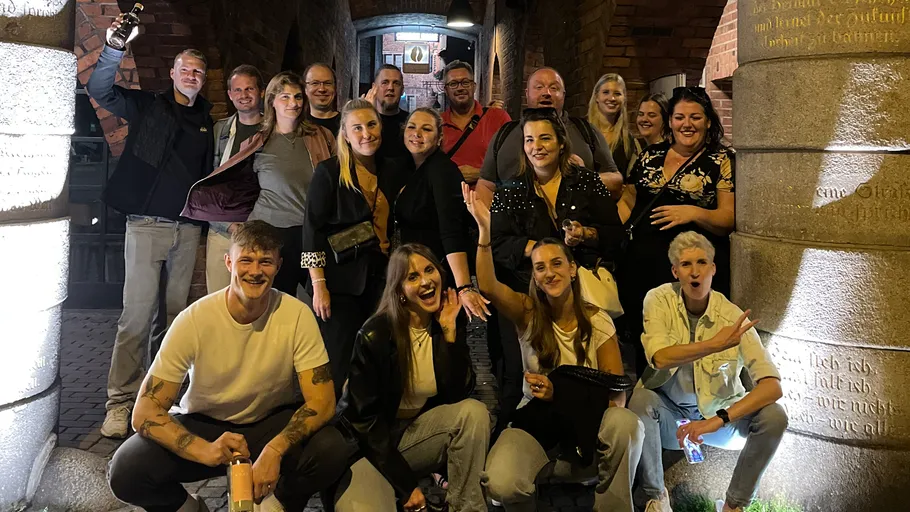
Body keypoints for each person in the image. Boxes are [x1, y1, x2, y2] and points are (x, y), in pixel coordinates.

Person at [107, 221, 349, 512]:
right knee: (126, 470)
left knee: (331, 447)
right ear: (228, 261)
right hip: (205, 422)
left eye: (266, 262)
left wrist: (274, 451)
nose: (255, 271)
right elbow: (144, 412)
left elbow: (323, 402)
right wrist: (204, 450)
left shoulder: (296, 314)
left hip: (269, 423)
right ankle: (190, 509)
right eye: (246, 260)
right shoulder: (194, 319)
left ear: (279, 266)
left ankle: (277, 502)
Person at [462, 184, 643, 511]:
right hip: (538, 424)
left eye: (557, 263)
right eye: (540, 267)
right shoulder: (528, 312)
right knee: (501, 483)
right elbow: (487, 285)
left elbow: (616, 391)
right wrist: (484, 233)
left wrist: (563, 393)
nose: (549, 273)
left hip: (586, 426)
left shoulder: (598, 320)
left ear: (573, 269)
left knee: (627, 423)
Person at [88, 19, 212, 439]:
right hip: (145, 226)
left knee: (175, 319)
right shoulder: (148, 106)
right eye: (185, 69)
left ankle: (160, 397)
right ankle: (120, 402)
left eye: (198, 71)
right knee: (136, 317)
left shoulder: (208, 122)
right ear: (173, 74)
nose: (191, 76)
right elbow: (100, 91)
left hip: (187, 230)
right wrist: (112, 50)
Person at [628, 232, 787, 512]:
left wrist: (718, 420)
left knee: (774, 415)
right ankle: (656, 498)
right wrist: (715, 344)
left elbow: (772, 386)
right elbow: (661, 357)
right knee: (641, 401)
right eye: (686, 264)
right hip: (671, 418)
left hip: (717, 420)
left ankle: (734, 506)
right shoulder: (659, 300)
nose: (694, 272)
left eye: (702, 262)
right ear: (675, 271)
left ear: (713, 269)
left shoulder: (730, 316)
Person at [488, 107, 623, 436]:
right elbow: (498, 245)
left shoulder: (587, 182)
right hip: (527, 296)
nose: (537, 146)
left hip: (579, 295)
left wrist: (585, 234)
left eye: (545, 138)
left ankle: (588, 436)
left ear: (562, 143)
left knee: (581, 367)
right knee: (517, 372)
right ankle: (514, 435)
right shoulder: (511, 190)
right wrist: (539, 249)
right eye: (530, 139)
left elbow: (616, 236)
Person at [333, 244, 490, 512]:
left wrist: (450, 336)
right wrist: (407, 486)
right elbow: (364, 423)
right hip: (367, 449)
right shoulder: (375, 335)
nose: (426, 281)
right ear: (399, 291)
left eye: (429, 270)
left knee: (473, 413)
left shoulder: (445, 321)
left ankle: (467, 508)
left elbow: (456, 396)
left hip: (412, 436)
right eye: (412, 277)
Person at [617, 87, 735, 378]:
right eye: (680, 117)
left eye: (695, 117)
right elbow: (628, 201)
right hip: (641, 266)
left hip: (692, 271)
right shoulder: (650, 156)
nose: (687, 124)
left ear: (708, 121)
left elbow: (727, 217)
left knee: (690, 336)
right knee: (647, 332)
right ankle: (650, 395)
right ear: (669, 122)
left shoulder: (720, 160)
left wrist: (693, 213)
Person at [302, 98, 406, 398]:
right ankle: (332, 428)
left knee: (376, 358)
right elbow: (313, 230)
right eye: (357, 128)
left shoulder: (392, 169)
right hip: (340, 283)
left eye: (371, 124)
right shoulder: (329, 171)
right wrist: (318, 284)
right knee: (339, 360)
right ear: (345, 134)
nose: (366, 133)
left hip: (382, 280)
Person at [246, 71, 335, 295]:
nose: (293, 103)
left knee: (321, 302)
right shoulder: (256, 143)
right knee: (273, 301)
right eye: (285, 97)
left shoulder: (321, 136)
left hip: (311, 232)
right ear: (272, 101)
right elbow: (241, 190)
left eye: (297, 97)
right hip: (270, 233)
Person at [476, 67, 620, 205]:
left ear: (563, 94)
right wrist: (491, 224)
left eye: (554, 88)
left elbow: (616, 182)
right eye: (539, 87)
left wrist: (585, 178)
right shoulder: (504, 134)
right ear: (527, 93)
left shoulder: (585, 131)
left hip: (575, 227)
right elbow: (486, 185)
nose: (546, 93)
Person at [399, 107, 490, 321]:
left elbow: (452, 231)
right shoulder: (411, 168)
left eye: (426, 129)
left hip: (436, 277)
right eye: (411, 127)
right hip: (415, 273)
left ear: (439, 138)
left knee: (444, 343)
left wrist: (464, 287)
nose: (417, 134)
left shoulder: (442, 171)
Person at [206, 64, 264, 293]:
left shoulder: (274, 130)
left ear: (261, 92)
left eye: (250, 89)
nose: (244, 95)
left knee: (257, 299)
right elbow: (208, 182)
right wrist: (228, 225)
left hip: (261, 231)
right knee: (218, 300)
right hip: (222, 231)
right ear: (230, 95)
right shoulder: (219, 131)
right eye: (238, 90)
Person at [440, 60, 512, 184]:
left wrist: (481, 174)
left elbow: (513, 163)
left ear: (474, 86)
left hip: (487, 199)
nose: (460, 88)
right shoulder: (437, 124)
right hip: (446, 200)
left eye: (465, 82)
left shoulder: (498, 118)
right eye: (453, 84)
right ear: (446, 90)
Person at [588, 73, 641, 178]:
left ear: (624, 98)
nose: (612, 98)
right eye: (606, 92)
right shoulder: (581, 133)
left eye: (617, 93)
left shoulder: (629, 141)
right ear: (596, 97)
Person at [365, 64, 409, 156]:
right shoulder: (362, 122)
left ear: (402, 90)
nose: (390, 88)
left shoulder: (410, 122)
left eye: (396, 83)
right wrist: (368, 113)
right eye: (385, 82)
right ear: (374, 88)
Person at [304, 62, 341, 135]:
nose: (322, 89)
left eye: (327, 83)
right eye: (315, 83)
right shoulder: (298, 125)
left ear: (335, 88)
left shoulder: (347, 123)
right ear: (305, 89)